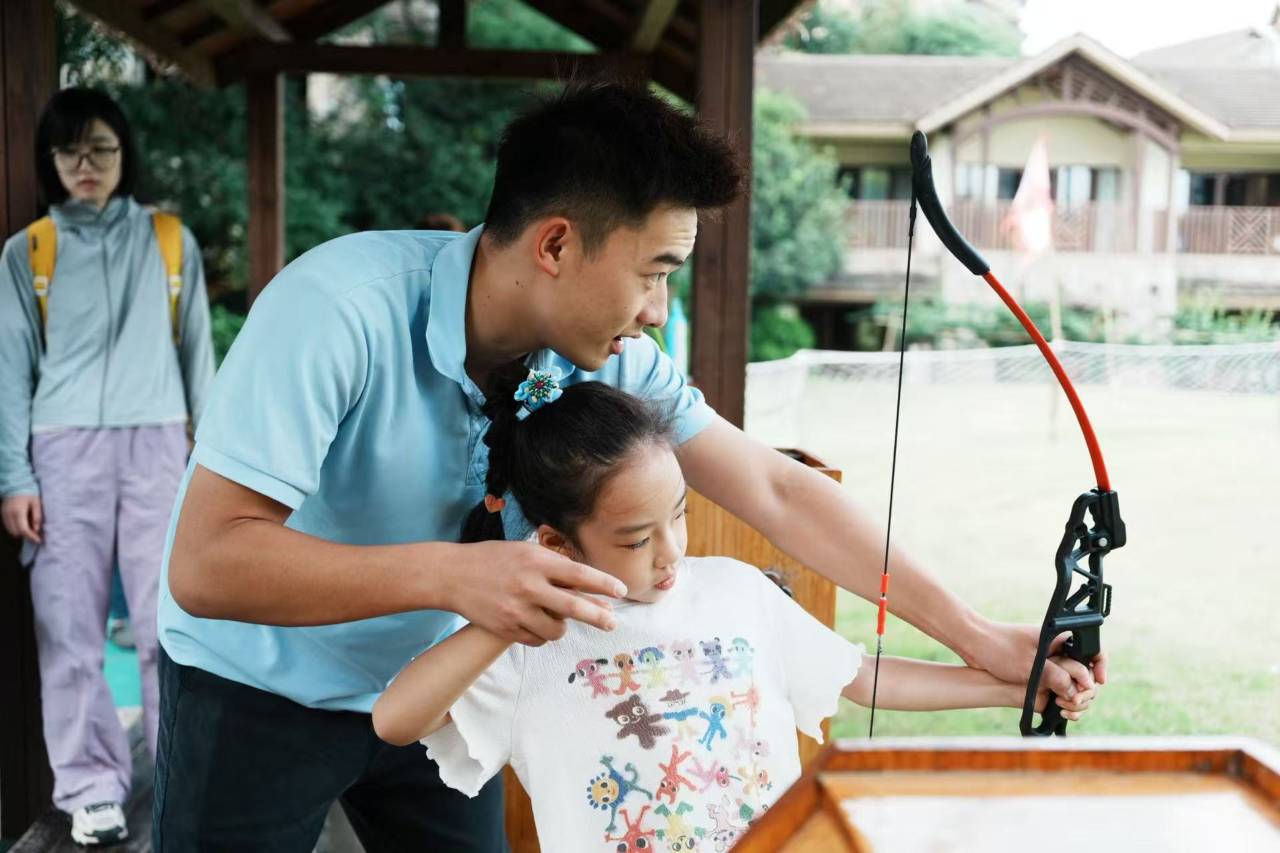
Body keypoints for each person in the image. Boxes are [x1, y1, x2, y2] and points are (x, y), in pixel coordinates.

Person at [157, 79, 1101, 851]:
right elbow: (206, 565)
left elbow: (775, 487)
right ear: (557, 243)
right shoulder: (337, 311)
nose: (657, 308)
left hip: (445, 685)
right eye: (654, 270)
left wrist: (979, 637)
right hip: (258, 692)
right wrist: (460, 575)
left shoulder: (608, 360)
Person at [371, 372, 1098, 851]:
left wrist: (1015, 684)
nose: (669, 553)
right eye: (633, 538)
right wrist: (502, 618)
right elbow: (395, 719)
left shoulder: (735, 590)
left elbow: (865, 679)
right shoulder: (526, 643)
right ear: (557, 539)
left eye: (679, 517)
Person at [0, 87, 215, 847]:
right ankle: (91, 788)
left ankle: (180, 776)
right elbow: (10, 369)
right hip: (60, 451)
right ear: (48, 160)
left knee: (170, 622)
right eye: (68, 152)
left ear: (125, 154)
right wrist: (14, 477)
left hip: (160, 444)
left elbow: (201, 362)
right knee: (68, 627)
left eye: (100, 149)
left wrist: (215, 466)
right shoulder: (28, 251)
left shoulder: (168, 240)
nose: (84, 166)